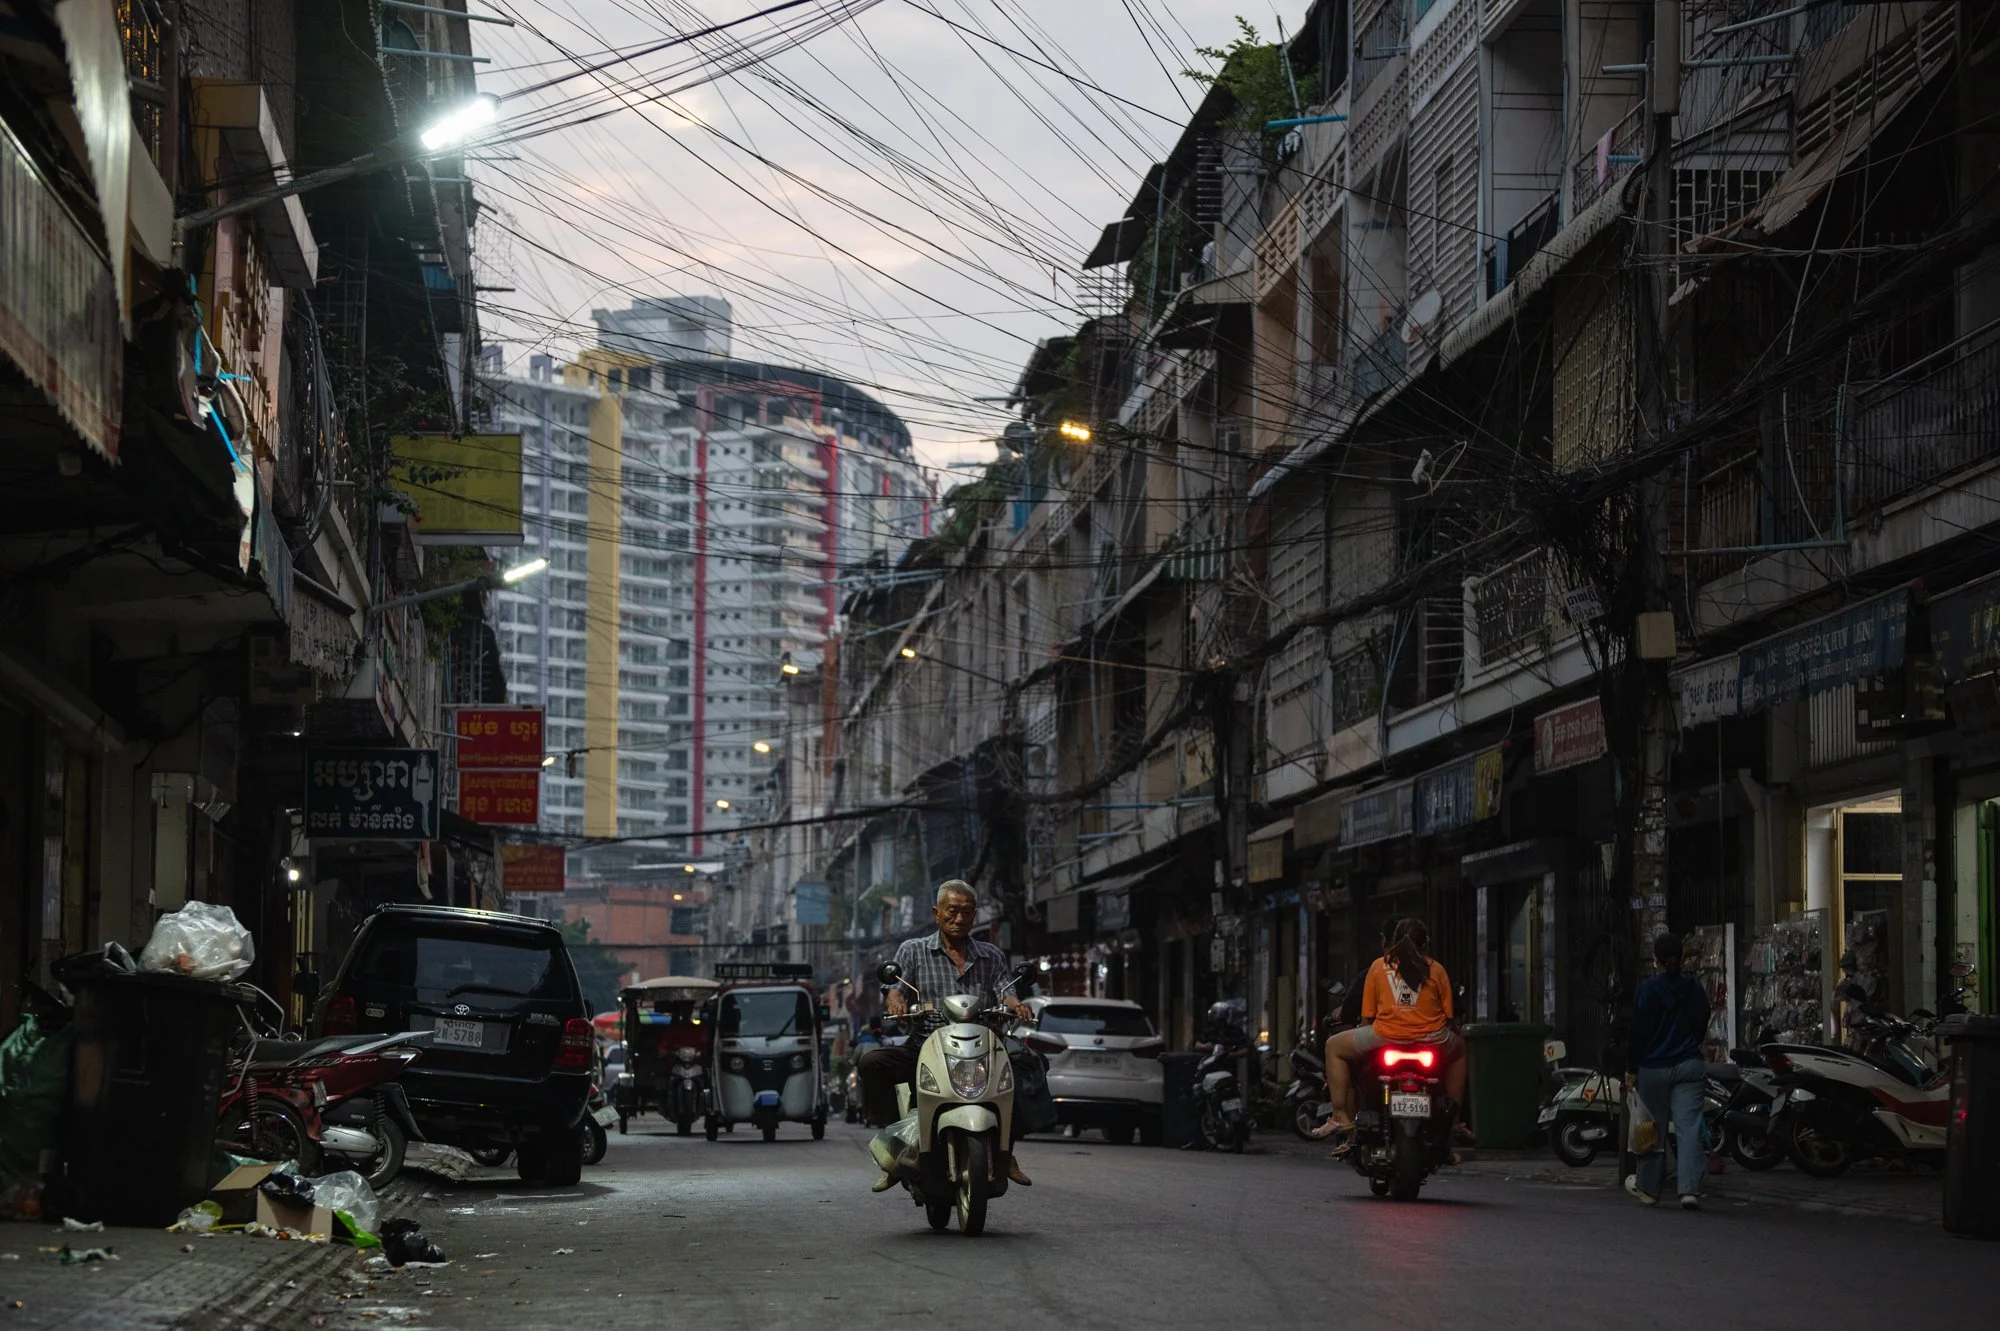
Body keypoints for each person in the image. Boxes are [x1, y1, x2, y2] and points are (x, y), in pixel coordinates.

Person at [858, 880, 1034, 1190]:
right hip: (928, 1044)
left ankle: (1006, 1153)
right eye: (952, 911)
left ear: (975, 915)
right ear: (937, 913)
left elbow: (1006, 991)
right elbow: (895, 990)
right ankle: (895, 1146)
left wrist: (1016, 1005)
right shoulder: (913, 950)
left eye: (967, 912)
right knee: (872, 1063)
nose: (960, 918)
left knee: (1025, 1069)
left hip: (982, 1048)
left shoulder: (991, 955)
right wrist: (896, 1001)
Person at [1311, 918, 1466, 1147]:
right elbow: (1450, 1017)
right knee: (1461, 1049)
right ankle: (1453, 1121)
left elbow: (1366, 1017)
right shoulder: (1437, 969)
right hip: (1432, 1041)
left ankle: (1340, 1116)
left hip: (1385, 1037)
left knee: (1333, 1046)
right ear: (1426, 943)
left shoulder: (1378, 967)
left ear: (1392, 942)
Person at [1624, 932, 1711, 1210]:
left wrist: (1631, 1067)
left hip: (1654, 1067)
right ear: (1682, 959)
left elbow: (1638, 1030)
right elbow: (1702, 1021)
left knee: (1651, 1128)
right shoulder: (1694, 987)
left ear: (1656, 960)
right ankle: (1689, 1191)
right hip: (1689, 1065)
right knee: (1689, 1128)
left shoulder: (1649, 989)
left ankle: (1648, 1188)